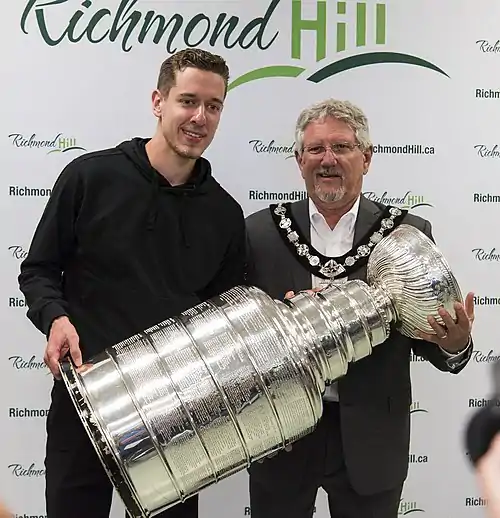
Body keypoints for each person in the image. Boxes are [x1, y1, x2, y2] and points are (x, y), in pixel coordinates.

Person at [18, 48, 246, 518]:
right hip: (85, 397)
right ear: (158, 101)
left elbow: (222, 320)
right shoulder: (90, 177)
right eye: (188, 101)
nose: (200, 117)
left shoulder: (225, 214)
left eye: (214, 106)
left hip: (176, 415)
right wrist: (55, 318)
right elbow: (38, 270)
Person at [244, 98, 475, 518]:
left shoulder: (406, 233)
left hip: (371, 437)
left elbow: (428, 338)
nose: (327, 160)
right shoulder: (259, 232)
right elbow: (239, 337)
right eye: (315, 149)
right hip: (283, 434)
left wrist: (454, 343)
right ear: (299, 161)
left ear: (366, 158)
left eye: (342, 147)